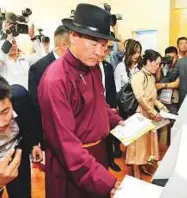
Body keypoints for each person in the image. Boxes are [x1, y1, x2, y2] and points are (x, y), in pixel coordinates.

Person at [38, 4, 123, 198]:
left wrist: (118, 120)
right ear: (73, 36)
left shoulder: (92, 67)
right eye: (94, 44)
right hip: (74, 166)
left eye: (104, 45)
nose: (101, 52)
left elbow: (97, 105)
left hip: (96, 158)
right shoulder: (56, 80)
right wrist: (104, 181)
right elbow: (65, 145)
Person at [126, 50, 167, 179]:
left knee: (148, 144)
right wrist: (153, 112)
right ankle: (135, 169)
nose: (158, 66)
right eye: (157, 63)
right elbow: (140, 97)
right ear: (148, 61)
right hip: (139, 114)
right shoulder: (139, 76)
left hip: (148, 113)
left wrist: (161, 106)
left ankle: (144, 165)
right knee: (138, 144)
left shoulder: (151, 76)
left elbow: (152, 97)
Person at [0, 76, 42, 198]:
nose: (2, 123)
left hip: (17, 155)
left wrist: (34, 144)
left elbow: (31, 121)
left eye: (5, 111)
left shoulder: (20, 97)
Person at [28, 25, 70, 147]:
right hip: (51, 133)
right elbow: (36, 105)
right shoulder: (39, 68)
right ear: (64, 45)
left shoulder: (77, 66)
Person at [99, 41, 122, 172]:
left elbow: (112, 87)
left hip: (108, 105)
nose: (106, 51)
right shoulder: (90, 66)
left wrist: (113, 105)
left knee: (110, 136)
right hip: (97, 107)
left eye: (108, 48)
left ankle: (110, 160)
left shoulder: (107, 66)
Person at [156, 46, 179, 114]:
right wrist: (159, 68)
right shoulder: (163, 66)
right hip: (161, 99)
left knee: (172, 119)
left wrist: (161, 85)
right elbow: (158, 80)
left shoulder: (180, 66)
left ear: (177, 57)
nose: (171, 60)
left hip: (173, 100)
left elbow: (177, 84)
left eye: (173, 57)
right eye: (169, 57)